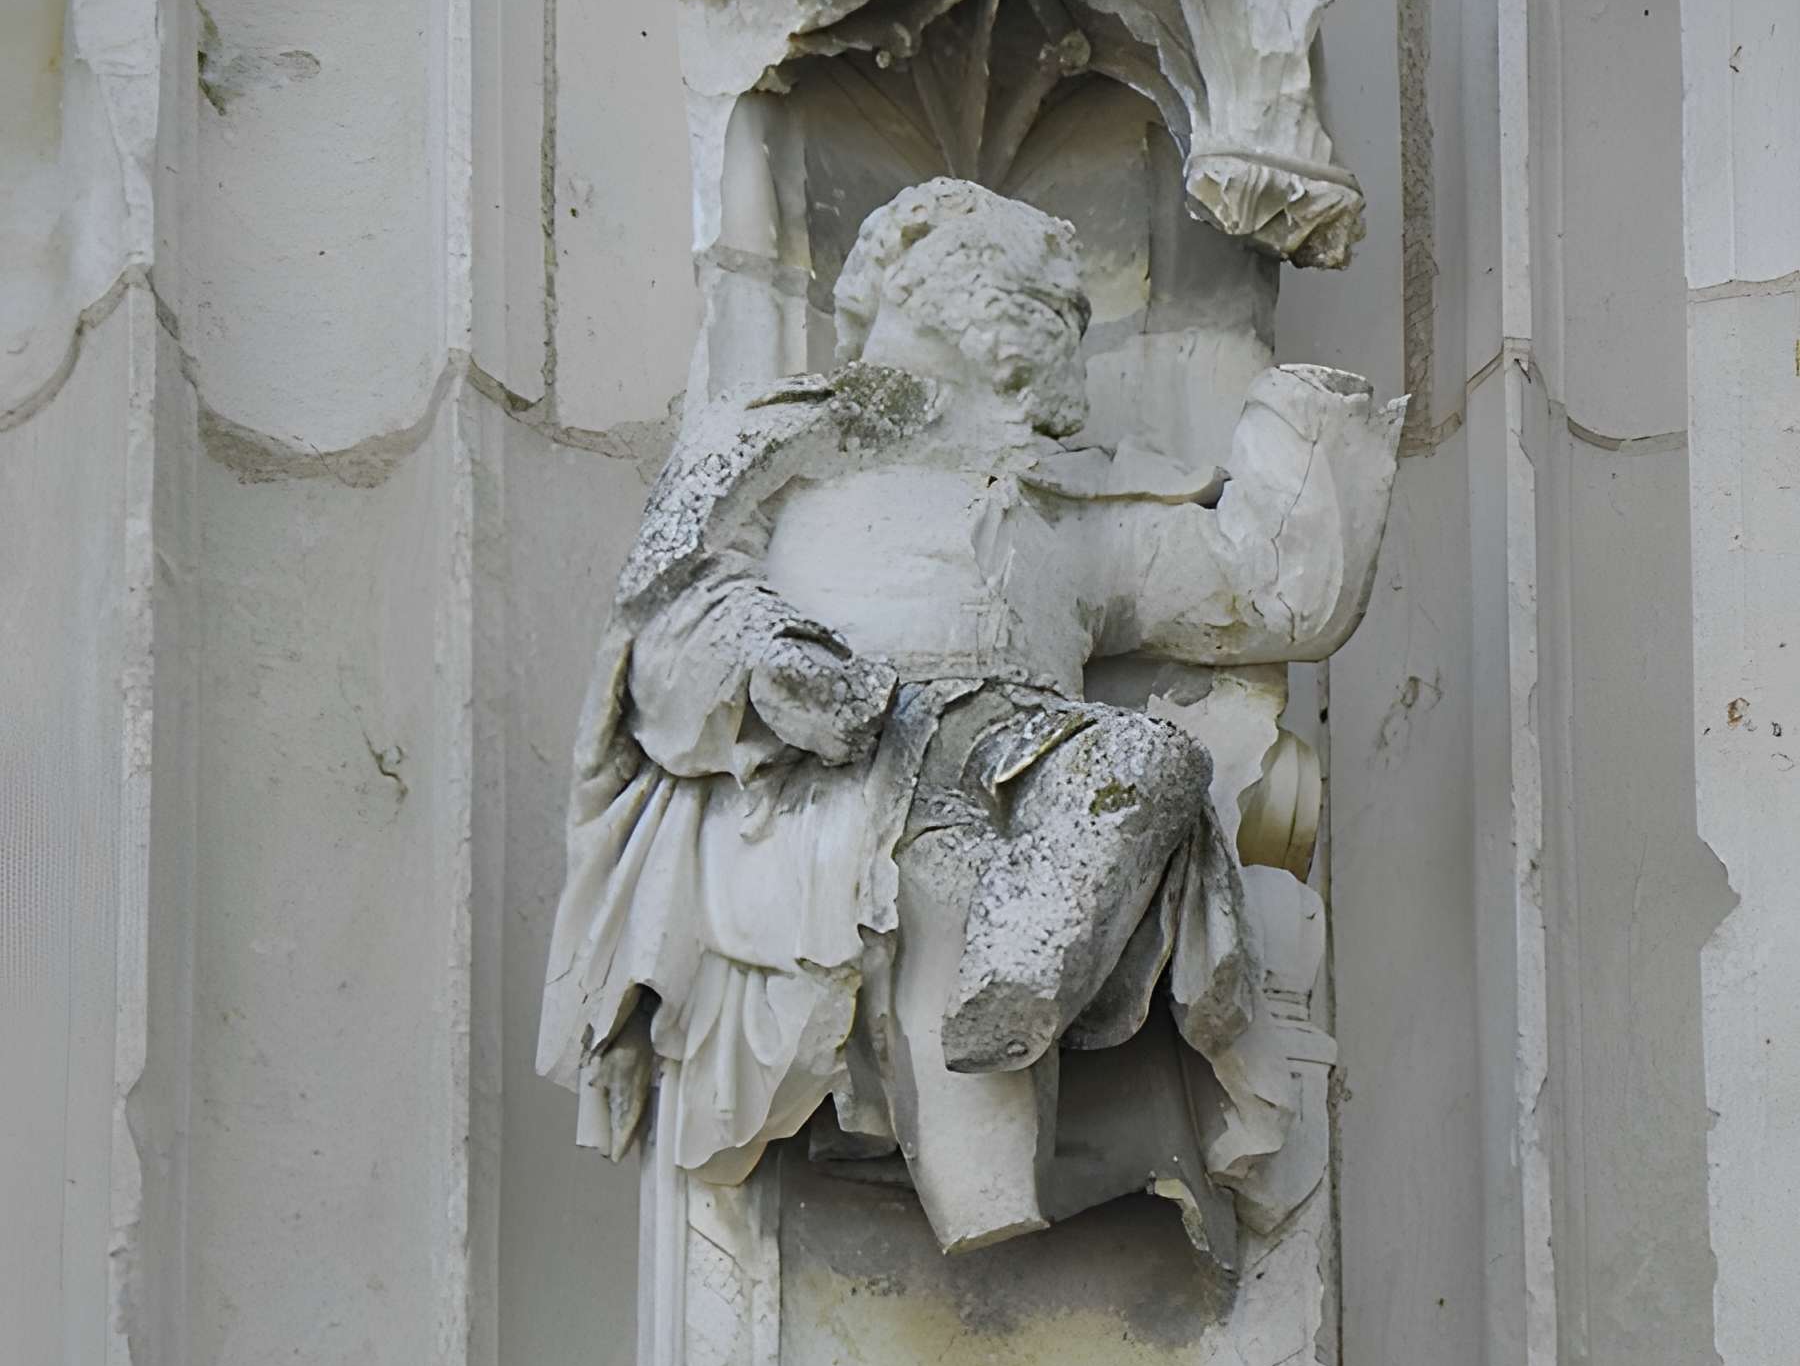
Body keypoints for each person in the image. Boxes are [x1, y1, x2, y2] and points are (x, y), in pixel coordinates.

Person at [540, 179, 1400, 1251]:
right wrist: (775, 667)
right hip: (865, 752)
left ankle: (1025, 980)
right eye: (1036, 296)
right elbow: (670, 614)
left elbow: (1263, 594)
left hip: (1026, 745)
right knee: (936, 882)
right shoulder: (787, 439)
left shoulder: (1069, 501)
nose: (1063, 323)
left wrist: (1311, 419)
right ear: (925, 278)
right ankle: (985, 1177)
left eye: (1067, 308)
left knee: (1144, 763)